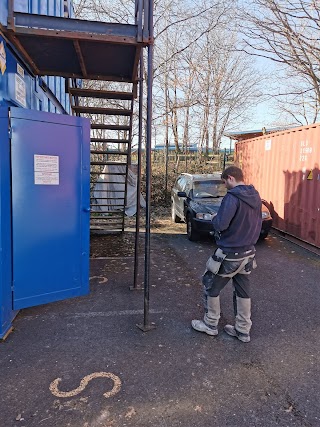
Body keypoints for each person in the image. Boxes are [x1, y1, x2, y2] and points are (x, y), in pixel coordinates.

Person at [191, 166, 262, 343]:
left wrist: (215, 218)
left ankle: (210, 324)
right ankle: (243, 330)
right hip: (248, 254)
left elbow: (221, 224)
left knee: (210, 285)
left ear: (230, 178)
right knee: (242, 291)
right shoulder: (255, 195)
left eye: (224, 182)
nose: (224, 186)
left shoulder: (232, 197)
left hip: (230, 253)